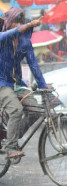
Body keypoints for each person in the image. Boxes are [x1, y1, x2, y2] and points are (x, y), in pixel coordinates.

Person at [0, 7, 49, 159]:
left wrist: (43, 85)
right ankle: (10, 147)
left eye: (21, 22)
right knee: (16, 110)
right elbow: (11, 33)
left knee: (36, 110)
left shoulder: (24, 43)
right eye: (15, 23)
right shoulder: (3, 37)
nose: (18, 26)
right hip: (1, 83)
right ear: (9, 24)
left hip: (16, 84)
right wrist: (27, 26)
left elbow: (34, 64)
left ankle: (12, 135)